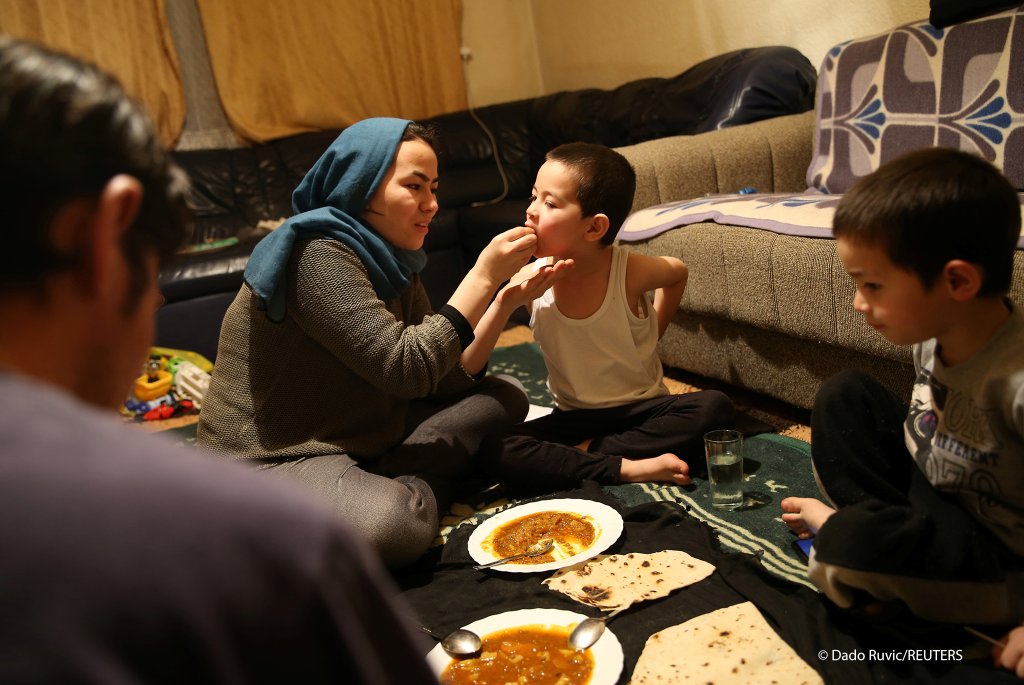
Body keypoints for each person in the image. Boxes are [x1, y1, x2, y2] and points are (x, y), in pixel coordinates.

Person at [0, 36, 438, 683]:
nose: (154, 296)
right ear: (101, 235)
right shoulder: (263, 548)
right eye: (153, 268)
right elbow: (404, 363)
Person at [197, 117, 570, 567]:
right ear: (361, 186)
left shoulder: (392, 258)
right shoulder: (315, 253)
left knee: (505, 396)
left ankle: (388, 471)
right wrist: (483, 275)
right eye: (414, 187)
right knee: (394, 526)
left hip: (364, 427)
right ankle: (404, 481)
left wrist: (503, 302)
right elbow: (406, 367)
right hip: (275, 458)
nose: (431, 204)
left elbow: (440, 379)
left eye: (433, 187)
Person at [779, 148, 1024, 629]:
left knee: (844, 548)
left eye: (872, 285)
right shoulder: (935, 341)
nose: (858, 303)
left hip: (998, 551)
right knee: (845, 395)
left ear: (957, 280)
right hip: (936, 493)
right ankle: (883, 557)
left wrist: (836, 527)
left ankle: (868, 560)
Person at [491, 142, 735, 493]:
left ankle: (585, 456)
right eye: (533, 197)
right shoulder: (532, 280)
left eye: (549, 203)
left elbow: (677, 273)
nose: (531, 211)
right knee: (492, 445)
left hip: (643, 410)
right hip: (572, 418)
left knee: (715, 407)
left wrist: (653, 332)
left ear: (594, 228)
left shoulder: (629, 270)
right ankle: (628, 467)